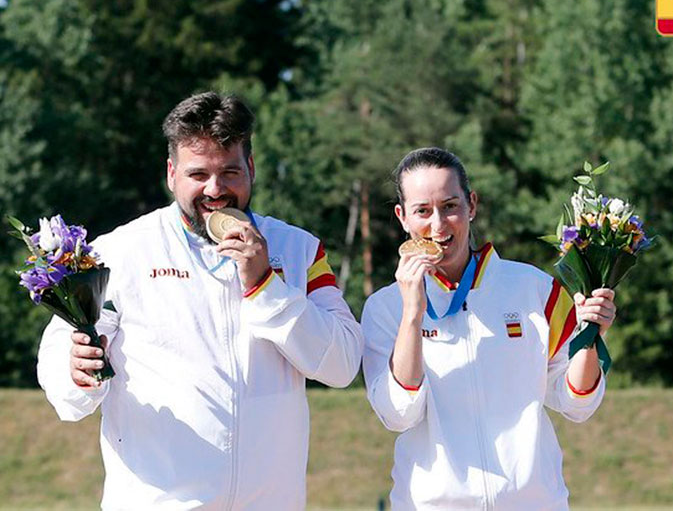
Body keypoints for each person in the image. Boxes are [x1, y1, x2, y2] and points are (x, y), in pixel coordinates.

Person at [37, 92, 364, 510]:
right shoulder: (118, 252)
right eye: (198, 174)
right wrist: (76, 372)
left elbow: (342, 365)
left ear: (251, 169)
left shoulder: (299, 249)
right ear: (171, 173)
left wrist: (266, 286)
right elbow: (65, 384)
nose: (215, 189)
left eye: (230, 171)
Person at [361, 147, 617, 510]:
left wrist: (591, 336)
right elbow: (397, 414)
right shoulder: (384, 308)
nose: (438, 225)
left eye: (450, 206)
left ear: (472, 205)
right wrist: (413, 314)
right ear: (402, 217)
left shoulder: (535, 289)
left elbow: (577, 403)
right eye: (423, 211)